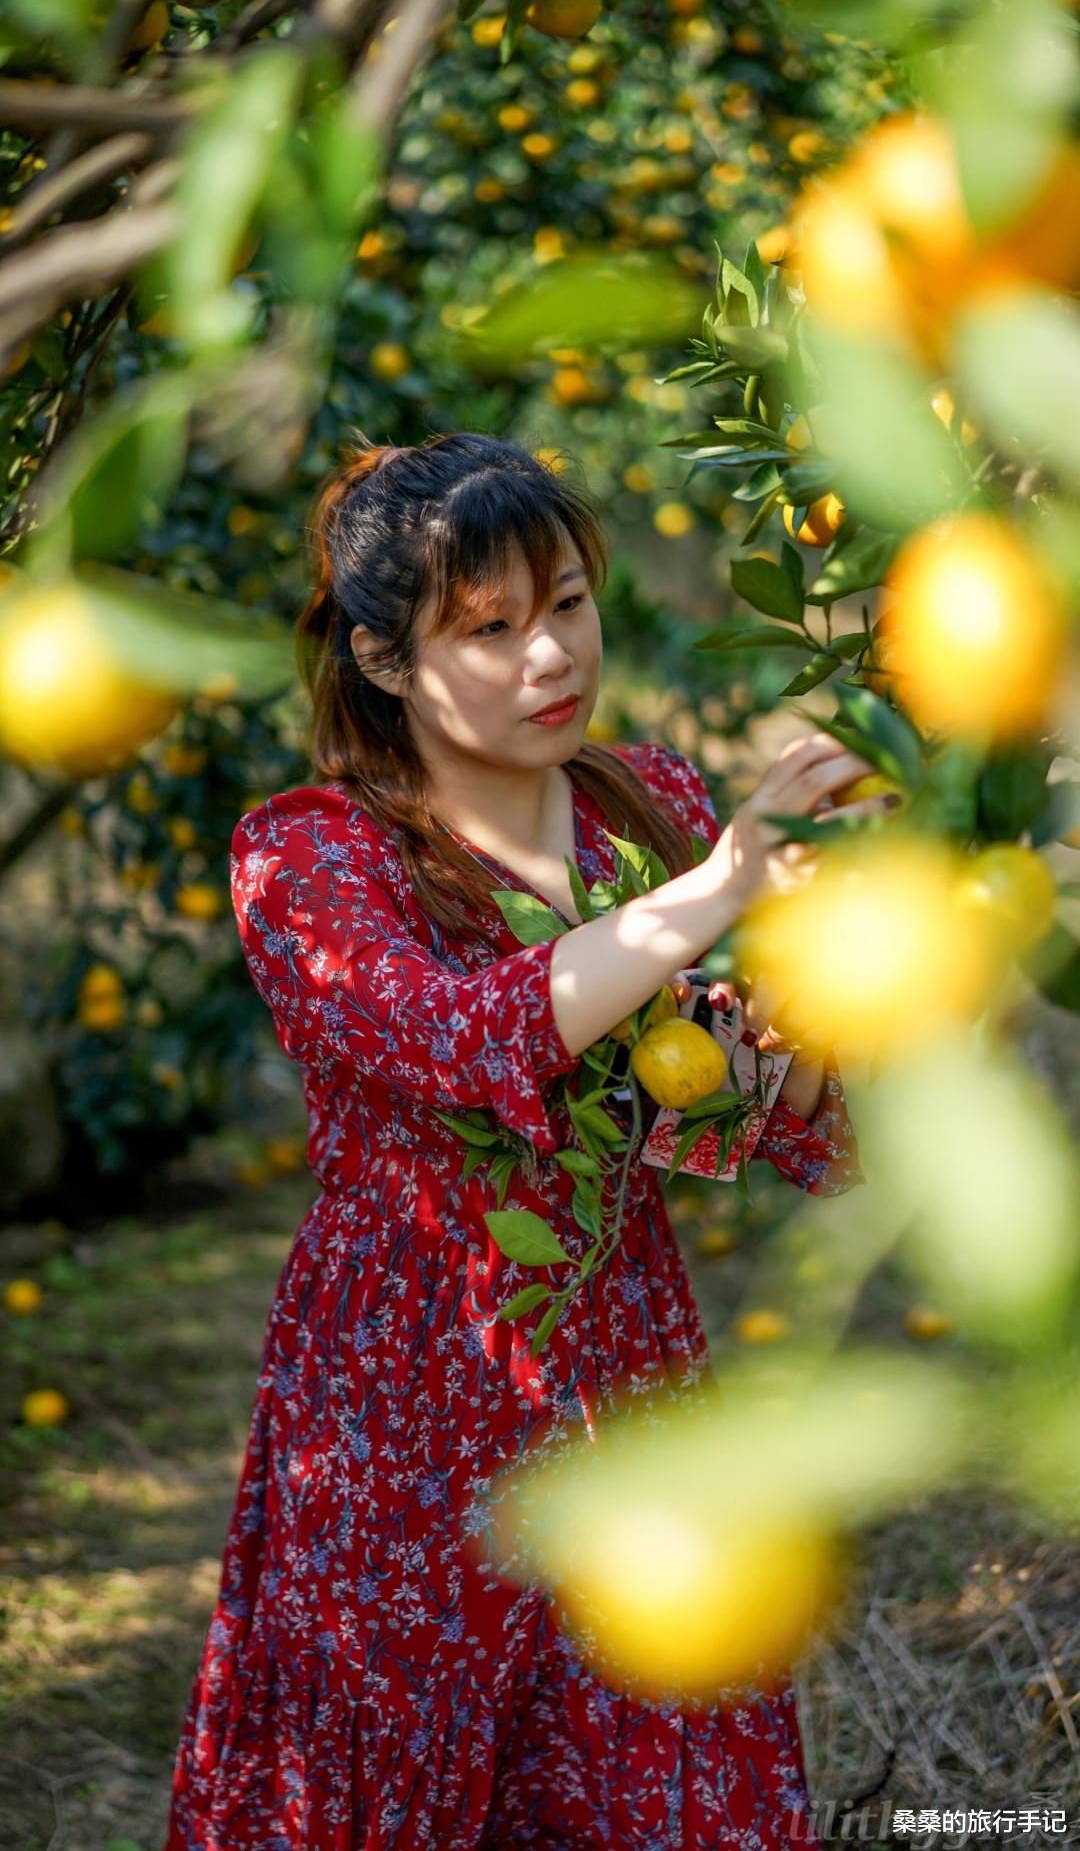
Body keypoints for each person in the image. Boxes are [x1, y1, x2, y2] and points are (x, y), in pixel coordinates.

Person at [163, 431, 890, 1851]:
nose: (548, 655)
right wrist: (719, 889)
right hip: (411, 1378)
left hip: (622, 1346)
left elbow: (702, 1122)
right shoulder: (310, 856)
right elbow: (451, 1039)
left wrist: (790, 1049)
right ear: (385, 663)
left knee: (655, 1732)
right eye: (487, 629)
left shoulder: (651, 807)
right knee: (403, 1751)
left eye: (565, 603)